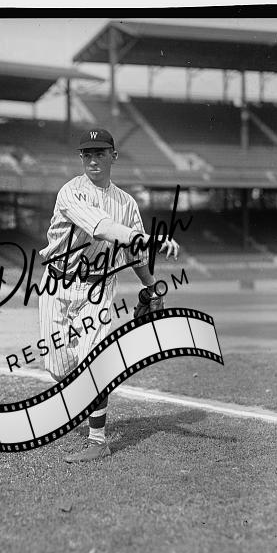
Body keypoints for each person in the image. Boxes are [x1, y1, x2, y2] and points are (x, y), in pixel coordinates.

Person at [38, 128, 179, 463]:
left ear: (113, 156)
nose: (93, 160)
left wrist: (149, 285)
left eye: (100, 153)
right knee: (58, 368)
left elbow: (133, 253)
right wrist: (152, 239)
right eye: (87, 154)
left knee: (95, 362)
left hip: (98, 289)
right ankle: (82, 393)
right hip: (57, 285)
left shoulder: (126, 203)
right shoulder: (70, 192)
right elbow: (102, 228)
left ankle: (98, 440)